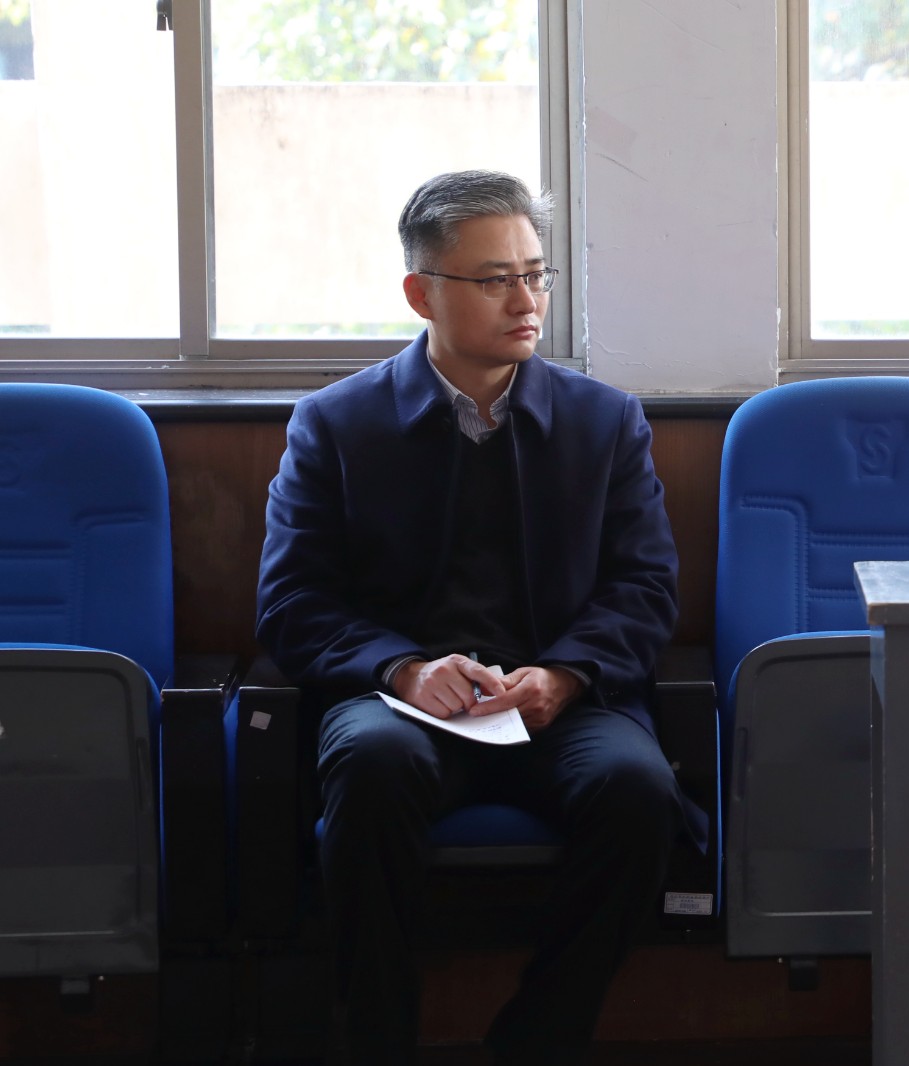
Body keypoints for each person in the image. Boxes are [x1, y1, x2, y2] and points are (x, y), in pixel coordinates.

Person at [256, 169, 705, 1066]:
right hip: (402, 703)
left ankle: (537, 1040)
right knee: (372, 765)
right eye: (496, 279)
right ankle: (378, 1042)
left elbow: (646, 585)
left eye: (536, 275)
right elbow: (294, 599)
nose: (526, 301)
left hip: (559, 700)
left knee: (639, 790)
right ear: (421, 293)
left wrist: (565, 674)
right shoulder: (336, 425)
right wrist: (402, 669)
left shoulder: (603, 422)